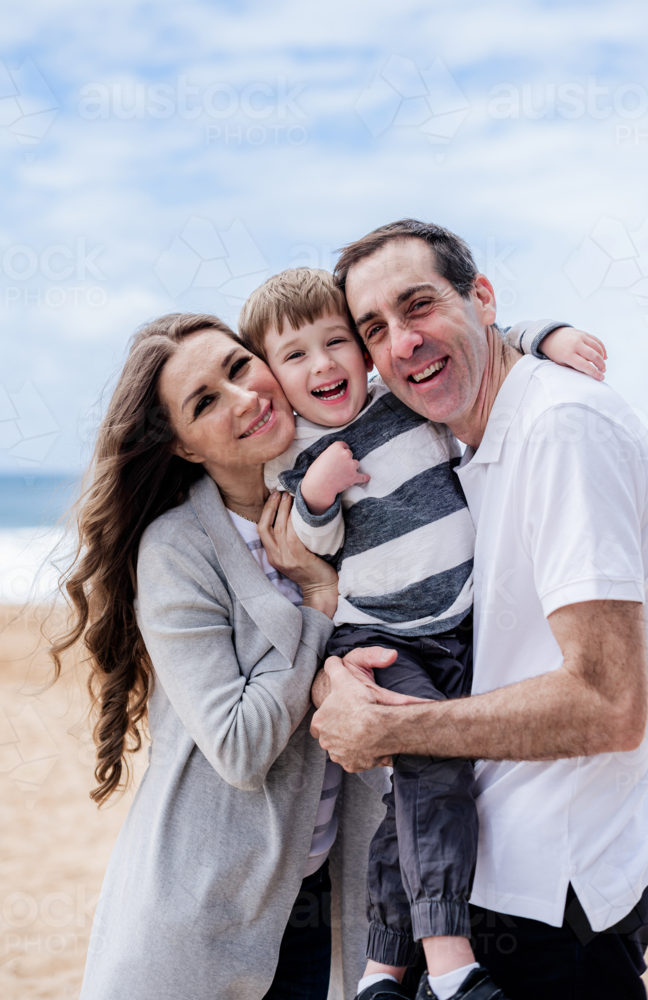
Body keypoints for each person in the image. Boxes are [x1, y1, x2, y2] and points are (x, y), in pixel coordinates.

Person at [238, 268, 605, 1000]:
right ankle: (449, 966)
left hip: (457, 629)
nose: (323, 365)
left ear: (364, 351)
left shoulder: (399, 405)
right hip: (382, 640)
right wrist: (316, 492)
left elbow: (475, 355)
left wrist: (547, 335)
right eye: (296, 356)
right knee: (435, 769)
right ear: (275, 380)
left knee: (415, 792)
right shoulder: (295, 453)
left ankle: (380, 970)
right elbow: (314, 538)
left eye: (336, 341)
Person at [310, 220, 648, 1000]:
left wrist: (392, 728)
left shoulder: (558, 427)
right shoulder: (460, 443)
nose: (402, 343)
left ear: (482, 299)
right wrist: (342, 675)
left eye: (418, 305)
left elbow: (610, 703)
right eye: (375, 330)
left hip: (552, 903)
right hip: (483, 883)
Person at [50, 311, 395, 1000]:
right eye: (204, 402)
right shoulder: (179, 551)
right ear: (180, 446)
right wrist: (316, 607)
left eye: (239, 367)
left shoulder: (347, 502)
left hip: (325, 903)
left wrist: (546, 339)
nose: (244, 398)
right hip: (203, 910)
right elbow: (240, 746)